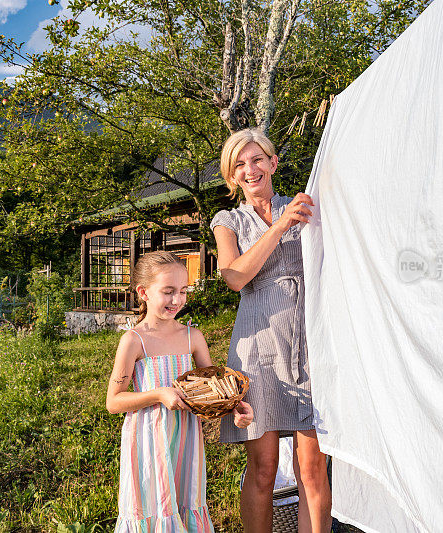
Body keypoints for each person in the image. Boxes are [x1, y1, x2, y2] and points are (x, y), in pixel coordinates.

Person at [210, 129, 331, 532]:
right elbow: (234, 276)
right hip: (257, 348)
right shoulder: (227, 221)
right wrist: (278, 228)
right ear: (231, 177)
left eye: (257, 159)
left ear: (273, 162)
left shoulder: (304, 205)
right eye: (239, 165)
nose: (250, 169)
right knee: (263, 468)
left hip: (308, 346)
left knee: (312, 468)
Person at [107, 250, 254, 532]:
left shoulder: (192, 336)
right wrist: (159, 394)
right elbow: (114, 402)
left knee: (184, 502)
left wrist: (234, 407)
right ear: (143, 292)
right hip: (149, 440)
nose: (177, 300)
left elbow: (214, 389)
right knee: (155, 503)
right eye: (168, 292)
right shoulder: (134, 340)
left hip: (186, 437)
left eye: (183, 291)